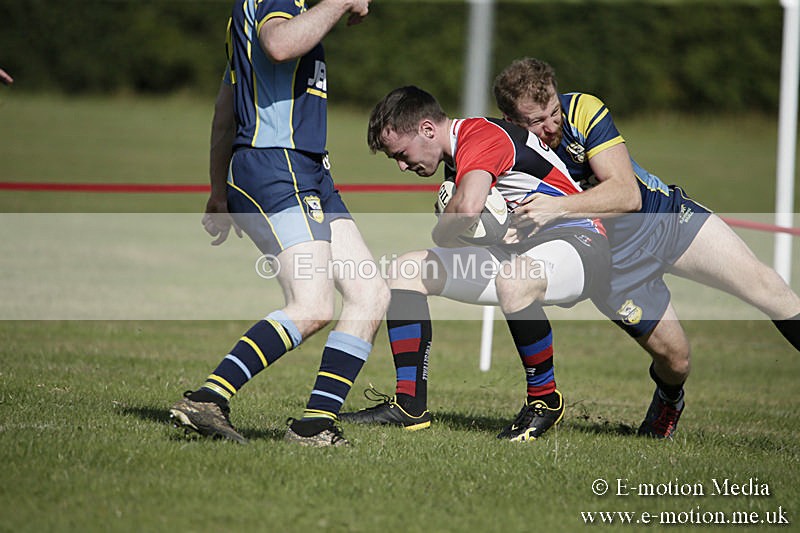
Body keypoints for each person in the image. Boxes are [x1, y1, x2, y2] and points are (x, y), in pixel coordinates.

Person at [492, 57, 800, 437]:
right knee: (677, 361)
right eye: (537, 121)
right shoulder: (504, 150)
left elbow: (627, 195)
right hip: (613, 263)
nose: (552, 125)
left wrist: (555, 207)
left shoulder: (583, 110)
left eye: (554, 111)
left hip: (663, 218)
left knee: (767, 286)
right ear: (511, 120)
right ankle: (669, 398)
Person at [169, 0, 390, 447]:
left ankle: (314, 425)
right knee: (311, 306)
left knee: (370, 293)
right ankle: (208, 398)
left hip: (306, 169)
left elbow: (225, 109)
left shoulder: (281, 12)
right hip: (277, 165)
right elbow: (278, 44)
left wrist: (218, 192)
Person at [340, 85, 610, 442]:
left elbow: (467, 210)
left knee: (515, 279)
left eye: (402, 154)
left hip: (582, 241)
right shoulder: (456, 159)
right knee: (406, 271)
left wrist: (442, 231)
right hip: (524, 250)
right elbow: (470, 225)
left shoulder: (480, 136)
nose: (403, 166)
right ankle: (409, 406)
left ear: (427, 129)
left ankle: (545, 400)